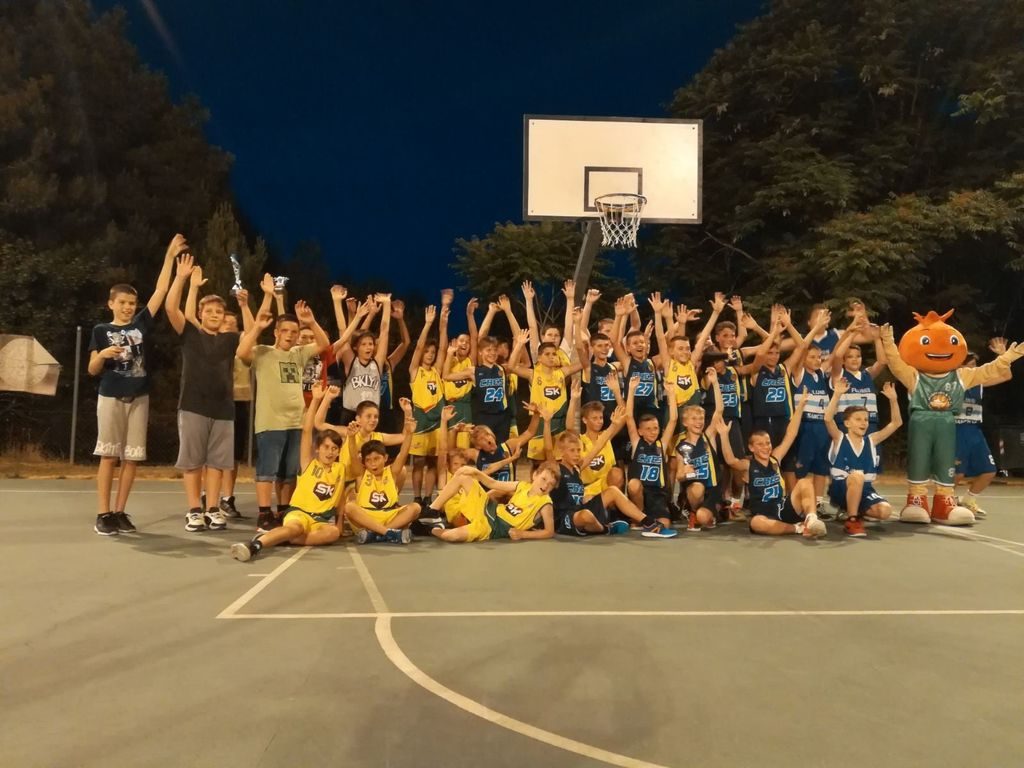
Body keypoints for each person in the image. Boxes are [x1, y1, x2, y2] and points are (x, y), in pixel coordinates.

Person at [88, 233, 180, 535]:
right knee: (109, 455)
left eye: (132, 303)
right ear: (111, 303)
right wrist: (103, 355)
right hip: (111, 397)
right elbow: (91, 369)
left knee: (132, 458)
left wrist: (169, 257)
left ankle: (119, 511)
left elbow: (161, 290)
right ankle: (103, 513)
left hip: (139, 398)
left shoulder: (140, 324)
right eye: (123, 303)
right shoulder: (101, 330)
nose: (128, 307)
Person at [237, 274, 331, 532]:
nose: (290, 335)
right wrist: (257, 327)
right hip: (270, 422)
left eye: (294, 331)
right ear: (276, 332)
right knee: (267, 471)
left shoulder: (299, 354)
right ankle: (264, 514)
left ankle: (283, 510)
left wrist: (310, 322)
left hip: (295, 422)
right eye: (285, 331)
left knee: (289, 473)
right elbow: (241, 352)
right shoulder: (263, 353)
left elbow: (324, 344)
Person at [165, 255, 243, 532]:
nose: (214, 314)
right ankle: (194, 510)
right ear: (200, 314)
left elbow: (252, 334)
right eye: (209, 311)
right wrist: (183, 279)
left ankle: (212, 509)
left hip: (223, 409)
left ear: (224, 317)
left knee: (217, 464)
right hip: (193, 406)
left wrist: (247, 304)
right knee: (193, 461)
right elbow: (171, 307)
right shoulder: (190, 334)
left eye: (219, 311)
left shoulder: (230, 339)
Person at [229, 385, 344, 561]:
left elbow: (343, 496)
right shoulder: (309, 464)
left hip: (320, 521)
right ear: (317, 448)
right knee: (295, 528)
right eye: (326, 447)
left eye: (334, 448)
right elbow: (307, 431)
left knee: (333, 533)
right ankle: (255, 545)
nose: (330, 452)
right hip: (299, 514)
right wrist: (315, 400)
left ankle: (284, 538)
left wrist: (340, 521)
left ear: (338, 452)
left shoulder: (340, 469)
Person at [715, 391, 826, 538]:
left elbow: (791, 434)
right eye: (760, 444)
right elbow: (730, 460)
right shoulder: (749, 465)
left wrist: (800, 407)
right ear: (751, 448)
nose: (765, 447)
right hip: (764, 514)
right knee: (756, 523)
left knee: (805, 482)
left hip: (783, 507)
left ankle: (811, 520)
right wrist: (724, 436)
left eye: (767, 443)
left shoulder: (775, 458)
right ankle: (798, 528)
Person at [544, 406, 664, 537]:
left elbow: (599, 445)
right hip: (564, 517)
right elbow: (548, 449)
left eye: (578, 450)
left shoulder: (577, 468)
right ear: (562, 452)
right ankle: (606, 529)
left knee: (612, 491)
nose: (577, 454)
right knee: (586, 515)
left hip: (581, 509)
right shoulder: (556, 469)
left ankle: (649, 522)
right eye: (572, 451)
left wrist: (613, 425)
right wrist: (547, 422)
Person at [824, 378, 903, 536]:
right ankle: (852, 520)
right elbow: (827, 419)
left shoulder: (871, 440)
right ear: (847, 423)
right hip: (840, 488)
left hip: (865, 489)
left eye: (866, 419)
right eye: (858, 419)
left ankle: (853, 510)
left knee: (885, 512)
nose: (864, 423)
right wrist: (837, 394)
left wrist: (893, 400)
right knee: (857, 475)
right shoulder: (840, 438)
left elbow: (896, 423)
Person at [344, 398, 420, 544]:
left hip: (388, 515)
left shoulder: (391, 472)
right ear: (364, 462)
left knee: (415, 508)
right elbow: (353, 456)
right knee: (350, 507)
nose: (373, 463)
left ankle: (376, 534)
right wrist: (351, 438)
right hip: (367, 516)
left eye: (376, 459)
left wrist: (410, 434)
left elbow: (403, 453)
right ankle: (389, 533)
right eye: (369, 460)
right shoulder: (361, 474)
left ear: (385, 458)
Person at [426, 463, 559, 543]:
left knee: (452, 536)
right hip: (490, 508)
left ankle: (429, 529)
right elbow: (493, 483)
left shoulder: (545, 502)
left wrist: (523, 534)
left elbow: (549, 531)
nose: (545, 485)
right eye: (543, 479)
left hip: (494, 527)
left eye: (551, 484)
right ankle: (431, 511)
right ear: (535, 475)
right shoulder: (522, 486)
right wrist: (476, 472)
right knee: (463, 476)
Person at [508, 329, 585, 464]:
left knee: (559, 463)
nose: (551, 357)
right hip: (539, 425)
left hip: (559, 425)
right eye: (547, 354)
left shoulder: (562, 372)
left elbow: (584, 363)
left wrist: (583, 345)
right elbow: (512, 367)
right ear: (539, 357)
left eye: (554, 354)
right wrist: (519, 344)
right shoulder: (533, 374)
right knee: (538, 466)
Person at [955, 339, 1012, 517]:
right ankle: (945, 501)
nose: (974, 368)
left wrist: (1003, 355)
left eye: (975, 365)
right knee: (957, 474)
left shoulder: (979, 383)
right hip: (957, 429)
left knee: (989, 471)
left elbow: (1006, 376)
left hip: (975, 430)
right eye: (971, 365)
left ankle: (968, 500)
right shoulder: (953, 381)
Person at [624, 374, 680, 537]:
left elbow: (673, 420)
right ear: (640, 431)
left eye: (655, 428)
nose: (652, 432)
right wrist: (631, 390)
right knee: (633, 484)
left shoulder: (661, 444)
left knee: (665, 524)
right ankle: (639, 516)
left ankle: (651, 520)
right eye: (648, 429)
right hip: (641, 492)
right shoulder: (637, 443)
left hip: (657, 494)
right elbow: (629, 417)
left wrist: (671, 394)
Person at [673, 368, 726, 532]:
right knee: (697, 489)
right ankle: (693, 511)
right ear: (685, 423)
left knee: (705, 518)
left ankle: (713, 510)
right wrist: (685, 473)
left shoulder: (708, 436)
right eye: (694, 419)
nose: (699, 422)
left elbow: (719, 411)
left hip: (713, 489)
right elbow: (678, 476)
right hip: (695, 487)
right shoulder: (681, 447)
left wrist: (715, 383)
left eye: (701, 418)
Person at [408, 304, 444, 508]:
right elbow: (418, 347)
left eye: (433, 352)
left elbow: (443, 348)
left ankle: (429, 498)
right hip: (420, 423)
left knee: (432, 463)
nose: (429, 354)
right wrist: (428, 324)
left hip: (437, 424)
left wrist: (443, 320)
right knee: (418, 463)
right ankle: (417, 497)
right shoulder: (415, 371)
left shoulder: (437, 371)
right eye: (427, 351)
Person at [336, 293, 392, 424]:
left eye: (371, 344)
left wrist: (387, 304)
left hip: (371, 416)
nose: (368, 347)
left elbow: (384, 331)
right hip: (350, 414)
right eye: (364, 344)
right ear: (356, 347)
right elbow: (343, 331)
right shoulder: (351, 361)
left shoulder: (377, 363)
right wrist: (337, 302)